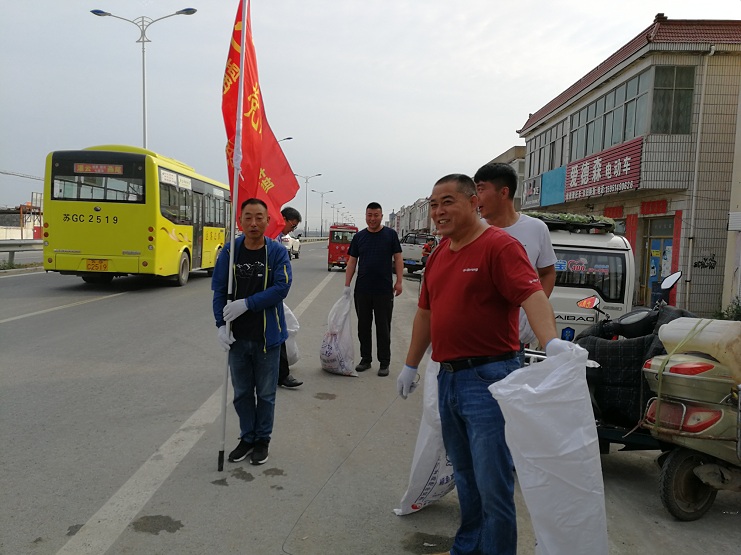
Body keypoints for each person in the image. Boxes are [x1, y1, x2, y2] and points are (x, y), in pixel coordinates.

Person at [396, 174, 576, 555]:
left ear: (472, 202)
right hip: (448, 379)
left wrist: (552, 343)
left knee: (492, 484)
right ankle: (469, 548)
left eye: (447, 202)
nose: (438, 211)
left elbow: (532, 294)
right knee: (465, 477)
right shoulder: (440, 254)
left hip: (489, 379)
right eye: (433, 204)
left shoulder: (499, 246)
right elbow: (426, 314)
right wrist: (411, 365)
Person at [212, 198, 292, 465]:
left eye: (259, 217)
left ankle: (262, 441)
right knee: (242, 393)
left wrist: (247, 303)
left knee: (266, 394)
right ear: (240, 221)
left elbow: (281, 288)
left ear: (268, 221)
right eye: (248, 217)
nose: (254, 223)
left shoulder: (276, 252)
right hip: (237, 338)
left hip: (267, 338)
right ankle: (247, 437)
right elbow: (219, 290)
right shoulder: (230, 251)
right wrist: (220, 325)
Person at [473, 162, 557, 358]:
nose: (476, 198)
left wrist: (532, 312)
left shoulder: (536, 229)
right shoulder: (472, 231)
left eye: (481, 189)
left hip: (513, 338)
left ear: (504, 192)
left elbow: (547, 273)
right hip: (476, 336)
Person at [344, 202, 403, 377]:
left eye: (376, 215)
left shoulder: (390, 235)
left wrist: (399, 281)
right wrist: (347, 285)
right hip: (362, 290)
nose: (372, 219)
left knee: (383, 327)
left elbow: (398, 258)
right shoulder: (359, 237)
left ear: (381, 216)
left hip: (383, 290)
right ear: (365, 216)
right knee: (363, 327)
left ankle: (384, 362)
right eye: (369, 215)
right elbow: (352, 262)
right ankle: (366, 359)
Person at [274, 206, 303, 388]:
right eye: (292, 226)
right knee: (280, 331)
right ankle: (282, 375)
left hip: (273, 294)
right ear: (282, 219)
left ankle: (277, 372)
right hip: (267, 295)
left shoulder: (277, 238)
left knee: (280, 330)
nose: (291, 230)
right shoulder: (270, 237)